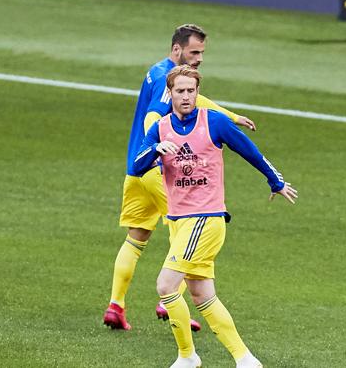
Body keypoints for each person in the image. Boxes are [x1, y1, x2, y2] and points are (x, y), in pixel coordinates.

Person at [129, 65, 297, 368]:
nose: (186, 97)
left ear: (197, 92)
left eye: (191, 91)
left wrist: (276, 181)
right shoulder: (160, 128)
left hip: (206, 219)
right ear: (171, 93)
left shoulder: (213, 122)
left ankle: (187, 356)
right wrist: (155, 149)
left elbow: (251, 152)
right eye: (180, 91)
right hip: (179, 222)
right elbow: (137, 166)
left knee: (166, 286)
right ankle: (245, 359)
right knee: (202, 295)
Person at [103, 24, 257, 332]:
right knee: (186, 234)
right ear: (177, 50)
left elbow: (194, 99)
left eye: (201, 52)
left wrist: (231, 117)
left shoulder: (158, 71)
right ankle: (169, 302)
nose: (199, 58)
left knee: (136, 238)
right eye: (194, 52)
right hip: (159, 168)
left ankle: (116, 306)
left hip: (135, 170)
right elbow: (155, 115)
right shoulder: (167, 79)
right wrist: (159, 146)